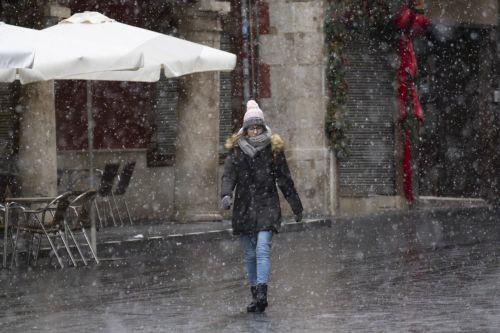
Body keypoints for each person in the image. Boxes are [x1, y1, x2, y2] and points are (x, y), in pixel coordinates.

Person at [220, 99, 303, 313]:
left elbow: (284, 179)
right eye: (251, 128)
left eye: (258, 127)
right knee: (249, 254)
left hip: (267, 204)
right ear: (245, 130)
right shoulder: (237, 151)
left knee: (262, 248)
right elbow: (229, 176)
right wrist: (226, 195)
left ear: (263, 127)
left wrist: (295, 205)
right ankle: (255, 294)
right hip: (244, 207)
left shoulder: (273, 149)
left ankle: (262, 293)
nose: (255, 131)